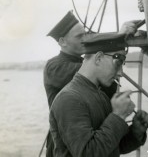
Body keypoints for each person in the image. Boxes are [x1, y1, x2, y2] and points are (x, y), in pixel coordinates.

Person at [44, 11, 142, 157]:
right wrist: (117, 37)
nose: (85, 39)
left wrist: (137, 131)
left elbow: (112, 146)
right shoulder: (55, 66)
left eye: (86, 35)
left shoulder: (97, 89)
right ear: (63, 41)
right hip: (68, 135)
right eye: (79, 36)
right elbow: (89, 69)